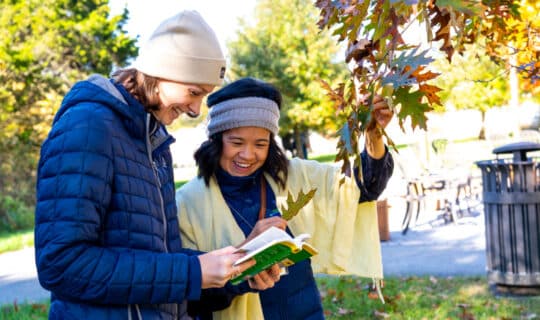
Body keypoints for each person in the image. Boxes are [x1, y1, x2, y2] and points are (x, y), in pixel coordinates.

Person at [34, 11, 278, 320]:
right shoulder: (87, 127)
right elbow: (62, 265)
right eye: (194, 92)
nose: (195, 109)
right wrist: (192, 272)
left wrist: (236, 270)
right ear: (161, 73)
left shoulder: (154, 142)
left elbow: (158, 265)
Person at [176, 77, 394, 319]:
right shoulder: (187, 204)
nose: (248, 155)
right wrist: (244, 267)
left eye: (261, 143)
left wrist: (374, 134)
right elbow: (190, 297)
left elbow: (363, 187)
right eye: (236, 142)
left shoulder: (293, 177)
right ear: (216, 140)